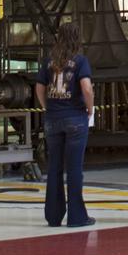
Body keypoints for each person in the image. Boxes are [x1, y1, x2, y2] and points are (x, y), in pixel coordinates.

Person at [35, 22, 95, 228]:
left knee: (54, 168)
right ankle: (77, 217)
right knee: (74, 169)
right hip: (75, 119)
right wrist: (90, 109)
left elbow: (39, 88)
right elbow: (86, 88)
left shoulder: (48, 61)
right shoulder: (80, 61)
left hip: (53, 119)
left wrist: (47, 107)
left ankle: (53, 216)